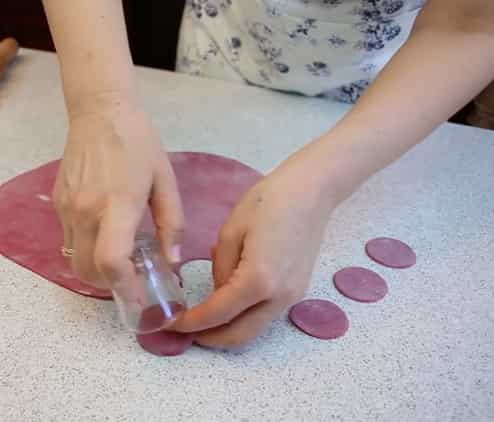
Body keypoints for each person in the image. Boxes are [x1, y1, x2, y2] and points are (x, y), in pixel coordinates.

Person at [41, 0, 494, 349]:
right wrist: (99, 102)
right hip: (212, 64)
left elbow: (471, 23)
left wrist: (322, 183)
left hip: (386, 99)